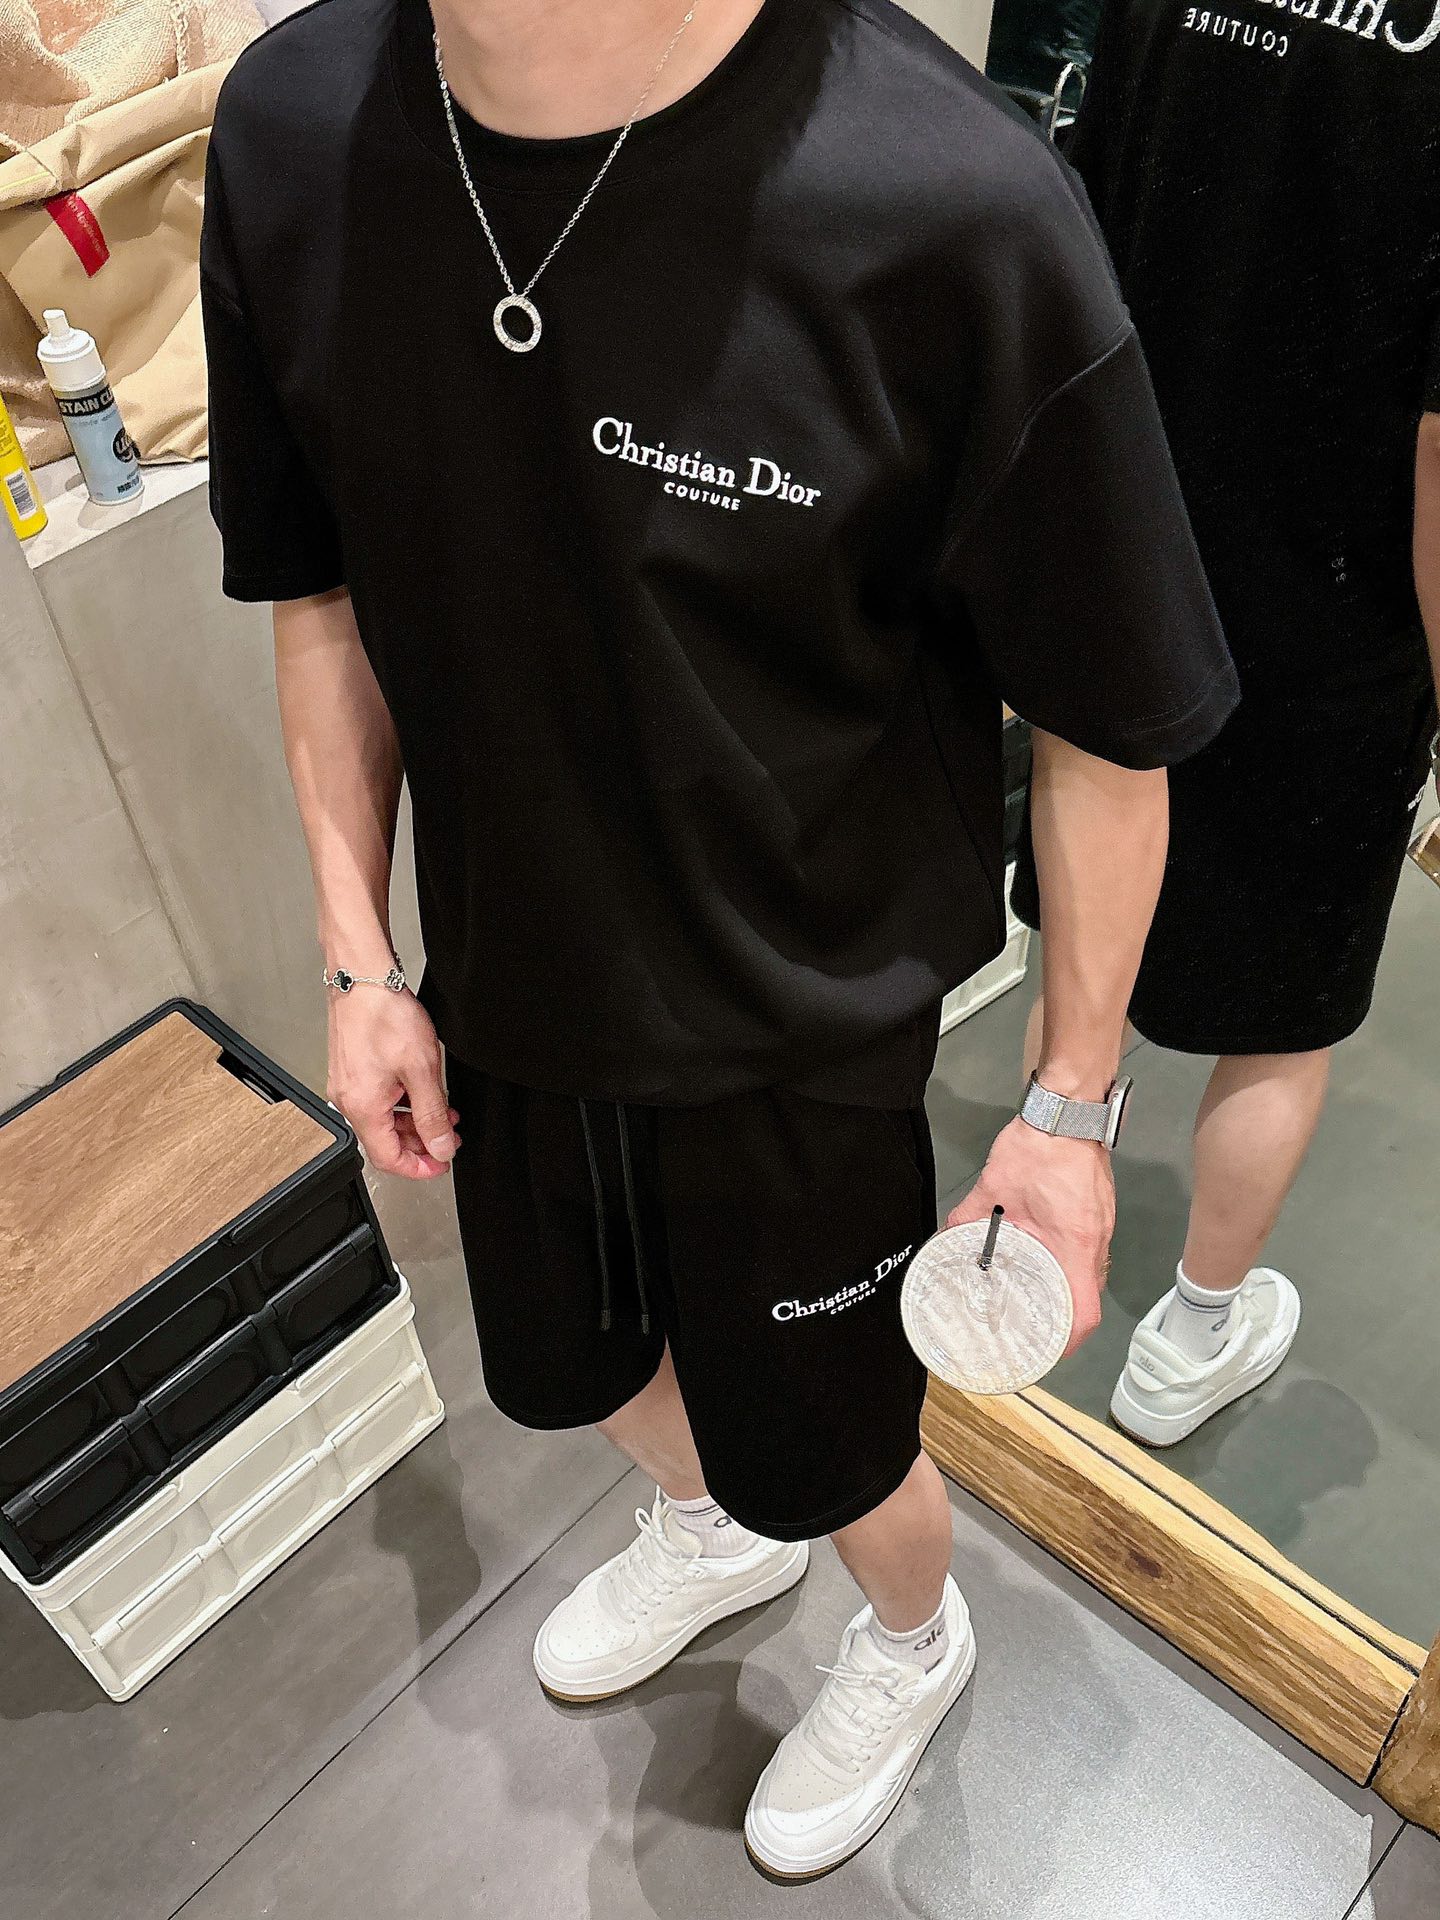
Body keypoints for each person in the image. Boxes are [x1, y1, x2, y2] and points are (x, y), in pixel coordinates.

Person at [202, 0, 1235, 1877]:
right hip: (504, 971)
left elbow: (1109, 723)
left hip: (798, 1019)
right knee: (580, 1371)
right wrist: (359, 958)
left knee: (834, 1450)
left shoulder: (948, 202)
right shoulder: (293, 126)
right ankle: (712, 1532)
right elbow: (320, 589)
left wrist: (1069, 1112)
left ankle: (909, 1641)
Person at [1012, 0, 1440, 1449]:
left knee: (1089, 934)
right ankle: (1195, 1329)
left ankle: (1034, 1254)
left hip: (1127, 535)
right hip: (1331, 604)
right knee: (1285, 1013)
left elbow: (1077, 199)